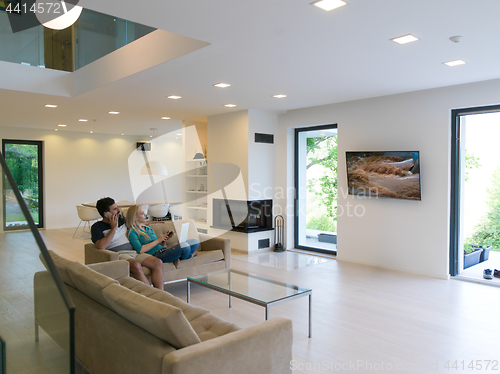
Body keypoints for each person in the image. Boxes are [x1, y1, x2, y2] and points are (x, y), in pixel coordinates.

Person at [90, 197, 164, 289]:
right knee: (136, 265)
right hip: (119, 254)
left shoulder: (122, 220)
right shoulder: (97, 227)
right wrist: (113, 228)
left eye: (117, 207)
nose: (118, 210)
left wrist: (156, 222)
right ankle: (151, 294)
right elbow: (101, 246)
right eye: (115, 209)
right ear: (106, 214)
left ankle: (161, 294)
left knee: (157, 262)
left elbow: (137, 221)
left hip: (134, 252)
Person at [125, 205, 199, 264]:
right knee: (185, 246)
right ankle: (190, 256)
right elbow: (140, 250)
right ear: (135, 218)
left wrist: (164, 239)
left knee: (195, 242)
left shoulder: (148, 228)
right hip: (156, 255)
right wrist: (158, 240)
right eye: (142, 213)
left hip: (163, 250)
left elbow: (160, 245)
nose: (145, 215)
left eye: (144, 212)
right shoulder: (132, 232)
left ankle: (180, 257)